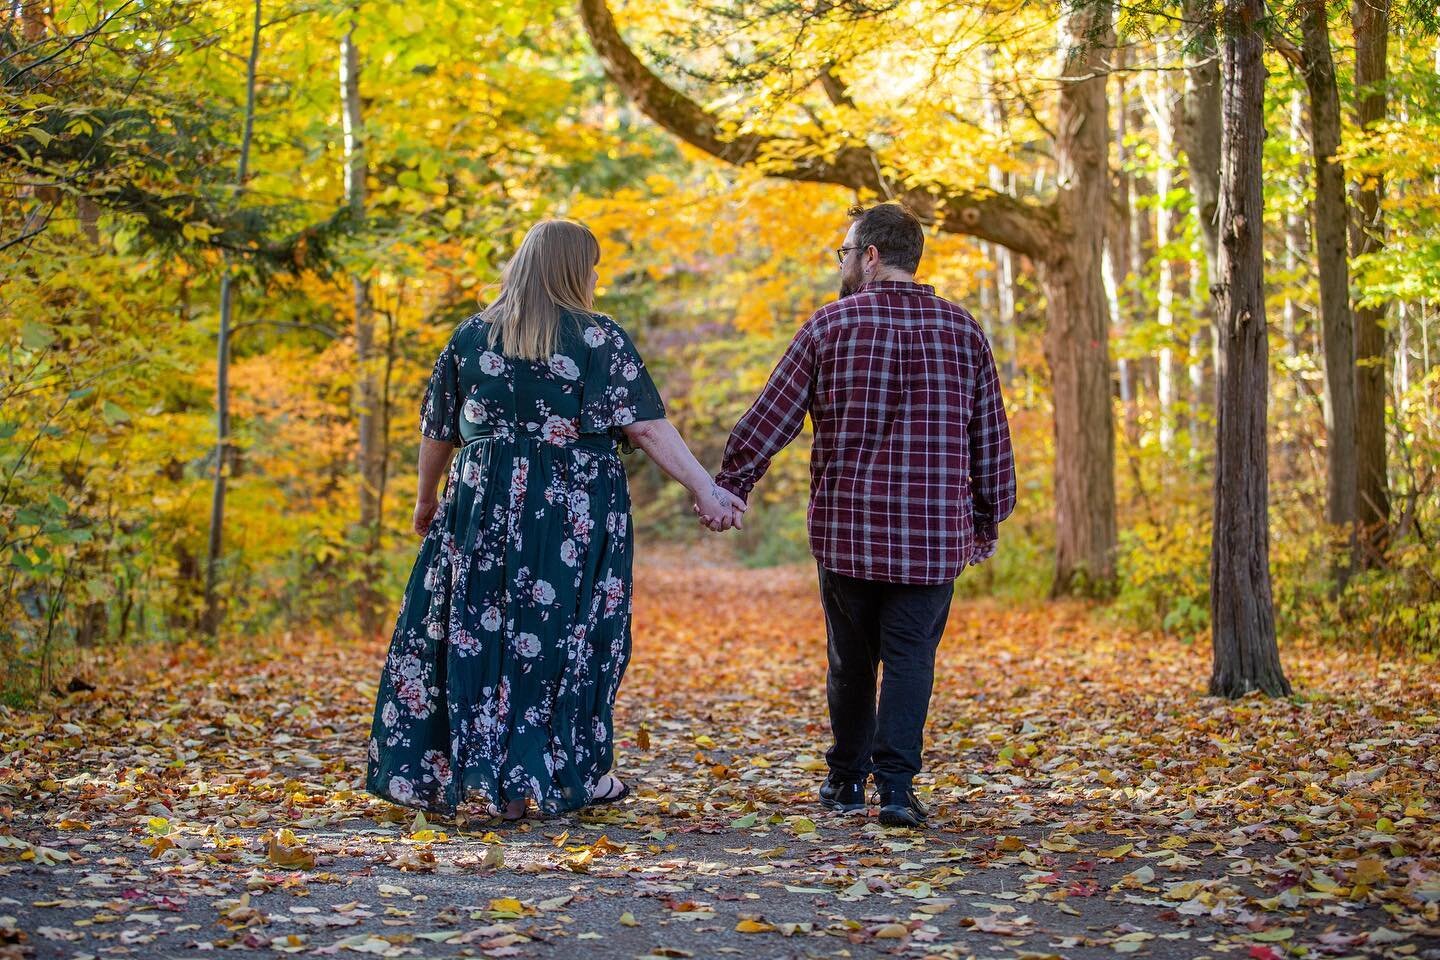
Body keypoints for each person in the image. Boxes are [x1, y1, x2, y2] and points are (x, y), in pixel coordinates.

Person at [365, 219, 745, 822]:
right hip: (573, 507)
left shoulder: (471, 337)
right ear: (574, 269)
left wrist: (426, 498)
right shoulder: (598, 339)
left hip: (481, 505)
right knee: (566, 636)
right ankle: (562, 773)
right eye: (591, 266)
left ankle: (482, 777)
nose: (596, 277)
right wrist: (706, 490)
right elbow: (644, 425)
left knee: (475, 633)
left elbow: (438, 428)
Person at [709, 202, 1016, 828]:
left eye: (845, 254)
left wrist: (731, 484)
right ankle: (897, 791)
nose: (843, 265)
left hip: (849, 531)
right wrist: (987, 514)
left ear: (870, 256)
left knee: (849, 659)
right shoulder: (963, 330)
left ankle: (846, 782)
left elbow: (773, 417)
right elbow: (991, 438)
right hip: (930, 536)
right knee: (910, 660)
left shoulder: (830, 327)